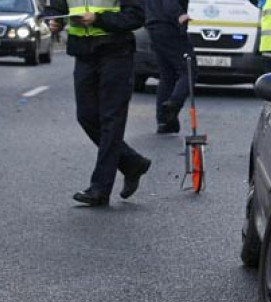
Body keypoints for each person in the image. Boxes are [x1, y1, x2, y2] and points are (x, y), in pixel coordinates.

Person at [46, 0, 152, 207]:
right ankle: (132, 163)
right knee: (86, 116)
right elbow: (56, 8)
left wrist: (99, 19)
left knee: (111, 119)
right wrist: (53, 20)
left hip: (116, 51)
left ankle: (100, 189)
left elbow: (136, 16)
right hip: (83, 53)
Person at [143, 0, 197, 133]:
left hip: (154, 24)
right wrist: (179, 14)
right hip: (170, 25)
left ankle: (164, 122)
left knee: (167, 75)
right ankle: (173, 104)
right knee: (189, 70)